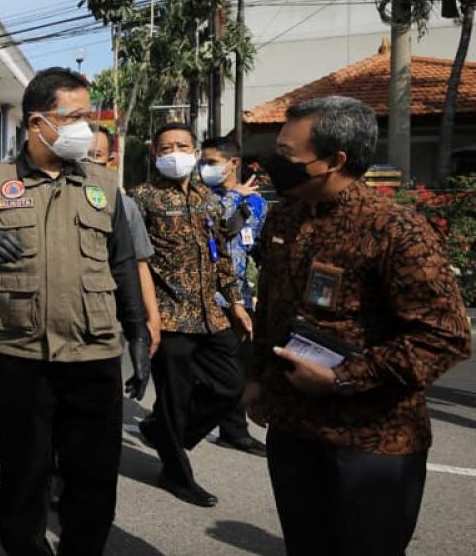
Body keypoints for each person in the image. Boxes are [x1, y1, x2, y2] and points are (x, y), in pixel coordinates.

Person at [246, 96, 471, 556]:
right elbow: (270, 304)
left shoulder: (395, 230)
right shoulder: (284, 216)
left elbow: (445, 336)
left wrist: (340, 380)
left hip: (372, 443)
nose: (273, 164)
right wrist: (256, 377)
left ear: (334, 160)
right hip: (294, 429)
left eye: (287, 156)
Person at [0, 68, 151, 556]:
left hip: (94, 353)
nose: (87, 127)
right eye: (75, 116)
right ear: (38, 123)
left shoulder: (103, 183)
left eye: (89, 116)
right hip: (20, 354)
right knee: (25, 474)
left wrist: (138, 335)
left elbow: (121, 262)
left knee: (93, 477)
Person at [133, 123, 251, 508]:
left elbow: (220, 256)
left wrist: (234, 302)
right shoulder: (142, 198)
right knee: (174, 397)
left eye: (182, 145)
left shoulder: (209, 199)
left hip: (210, 314)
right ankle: (176, 472)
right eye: (166, 147)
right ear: (154, 154)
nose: (175, 153)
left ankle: (163, 432)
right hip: (167, 315)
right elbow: (135, 263)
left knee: (230, 386)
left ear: (196, 151)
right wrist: (142, 318)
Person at [199, 136, 268, 456]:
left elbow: (258, 249)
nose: (204, 168)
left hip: (239, 294)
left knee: (237, 366)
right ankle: (169, 421)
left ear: (233, 163)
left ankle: (234, 431)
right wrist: (231, 198)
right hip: (206, 293)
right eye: (203, 162)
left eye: (211, 162)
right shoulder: (199, 197)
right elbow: (214, 230)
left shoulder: (257, 203)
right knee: (204, 366)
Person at [88, 125, 161, 355]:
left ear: (109, 160)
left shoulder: (125, 206)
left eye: (96, 155)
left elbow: (140, 264)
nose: (87, 162)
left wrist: (152, 319)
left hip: (104, 322)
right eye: (82, 154)